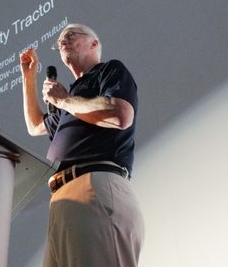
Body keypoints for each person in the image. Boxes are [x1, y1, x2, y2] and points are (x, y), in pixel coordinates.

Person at [19, 23, 145, 267]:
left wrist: (64, 100)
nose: (63, 41)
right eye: (59, 41)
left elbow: (120, 115)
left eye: (71, 35)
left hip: (94, 187)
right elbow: (35, 125)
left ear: (94, 44)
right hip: (61, 200)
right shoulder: (72, 97)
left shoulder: (108, 70)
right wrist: (29, 77)